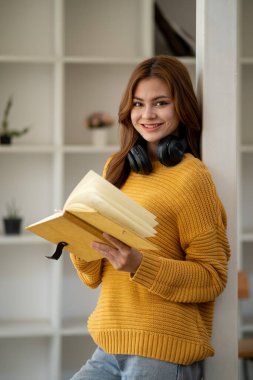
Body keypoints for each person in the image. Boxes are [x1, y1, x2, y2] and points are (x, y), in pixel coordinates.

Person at [70, 55, 230, 380]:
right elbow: (92, 277)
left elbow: (212, 277)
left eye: (160, 103)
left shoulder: (191, 177)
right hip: (109, 345)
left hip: (161, 354)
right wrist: (77, 237)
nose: (147, 115)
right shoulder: (116, 169)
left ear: (181, 107)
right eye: (138, 103)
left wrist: (140, 265)